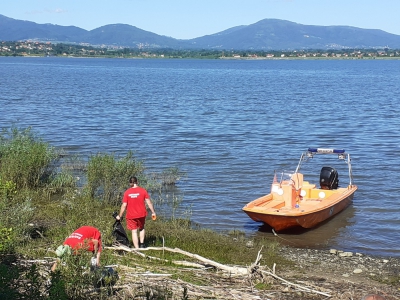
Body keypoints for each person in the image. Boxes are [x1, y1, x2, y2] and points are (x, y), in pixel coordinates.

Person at [116, 176, 156, 249]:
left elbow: (124, 205)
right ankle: (142, 244)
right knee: (141, 228)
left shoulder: (127, 192)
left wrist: (120, 215)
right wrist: (153, 212)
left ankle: (137, 249)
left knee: (134, 231)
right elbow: (149, 202)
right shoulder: (143, 190)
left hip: (131, 215)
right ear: (137, 182)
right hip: (141, 214)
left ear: (130, 183)